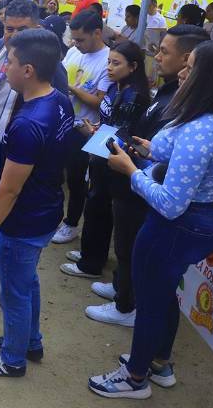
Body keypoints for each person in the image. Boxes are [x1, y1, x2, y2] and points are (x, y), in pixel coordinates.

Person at [90, 40, 213, 399]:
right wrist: (150, 150)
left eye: (191, 66)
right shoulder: (210, 119)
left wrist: (131, 170)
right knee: (163, 293)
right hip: (199, 217)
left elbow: (171, 204)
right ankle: (157, 362)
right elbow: (177, 155)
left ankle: (135, 377)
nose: (182, 71)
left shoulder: (203, 131)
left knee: (151, 300)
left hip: (176, 226)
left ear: (210, 78)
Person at [0, 29, 74, 377]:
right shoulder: (59, 100)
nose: (4, 68)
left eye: (9, 62)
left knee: (13, 292)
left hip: (23, 219)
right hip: (47, 210)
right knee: (27, 281)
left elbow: (8, 191)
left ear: (28, 70)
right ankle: (30, 341)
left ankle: (13, 358)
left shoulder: (27, 124)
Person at [0, 0, 59, 294]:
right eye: (8, 28)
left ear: (37, 28)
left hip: (12, 161)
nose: (13, 35)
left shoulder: (48, 67)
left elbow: (51, 117)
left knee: (2, 213)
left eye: (22, 29)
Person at [60, 41, 150, 327]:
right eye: (109, 62)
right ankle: (93, 260)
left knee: (107, 216)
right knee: (97, 208)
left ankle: (100, 272)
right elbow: (108, 122)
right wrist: (95, 132)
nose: (109, 68)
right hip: (102, 157)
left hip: (114, 163)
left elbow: (122, 132)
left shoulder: (134, 95)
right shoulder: (115, 88)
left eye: (116, 63)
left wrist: (95, 137)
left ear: (133, 67)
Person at [51, 11, 110, 246]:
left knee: (77, 181)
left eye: (81, 39)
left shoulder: (109, 60)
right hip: (62, 123)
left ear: (97, 33)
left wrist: (71, 89)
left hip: (85, 131)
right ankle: (57, 217)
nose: (76, 44)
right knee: (58, 174)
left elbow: (100, 102)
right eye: (73, 39)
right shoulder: (75, 52)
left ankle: (72, 223)